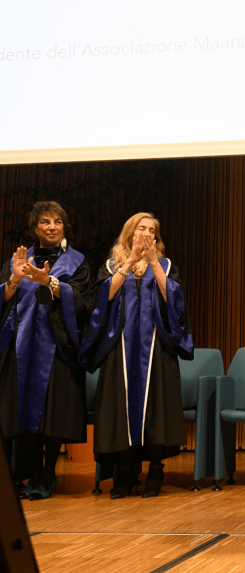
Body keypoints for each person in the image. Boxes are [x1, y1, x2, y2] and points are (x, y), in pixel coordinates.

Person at [80, 213, 193, 499]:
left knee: (157, 410)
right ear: (129, 232)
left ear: (157, 237)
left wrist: (154, 262)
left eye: (151, 229)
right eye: (141, 228)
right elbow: (100, 301)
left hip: (156, 349)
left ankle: (155, 470)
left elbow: (175, 303)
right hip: (120, 350)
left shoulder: (166, 266)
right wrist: (129, 262)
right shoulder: (111, 266)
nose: (146, 233)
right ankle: (124, 473)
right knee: (120, 409)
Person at [0, 201, 90, 500]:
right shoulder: (20, 259)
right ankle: (33, 471)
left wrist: (50, 282)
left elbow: (83, 302)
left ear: (64, 226)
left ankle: (49, 472)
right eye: (45, 222)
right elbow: (4, 297)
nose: (52, 227)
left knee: (52, 413)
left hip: (57, 348)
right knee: (24, 410)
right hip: (22, 346)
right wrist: (14, 278)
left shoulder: (77, 262)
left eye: (57, 222)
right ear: (35, 228)